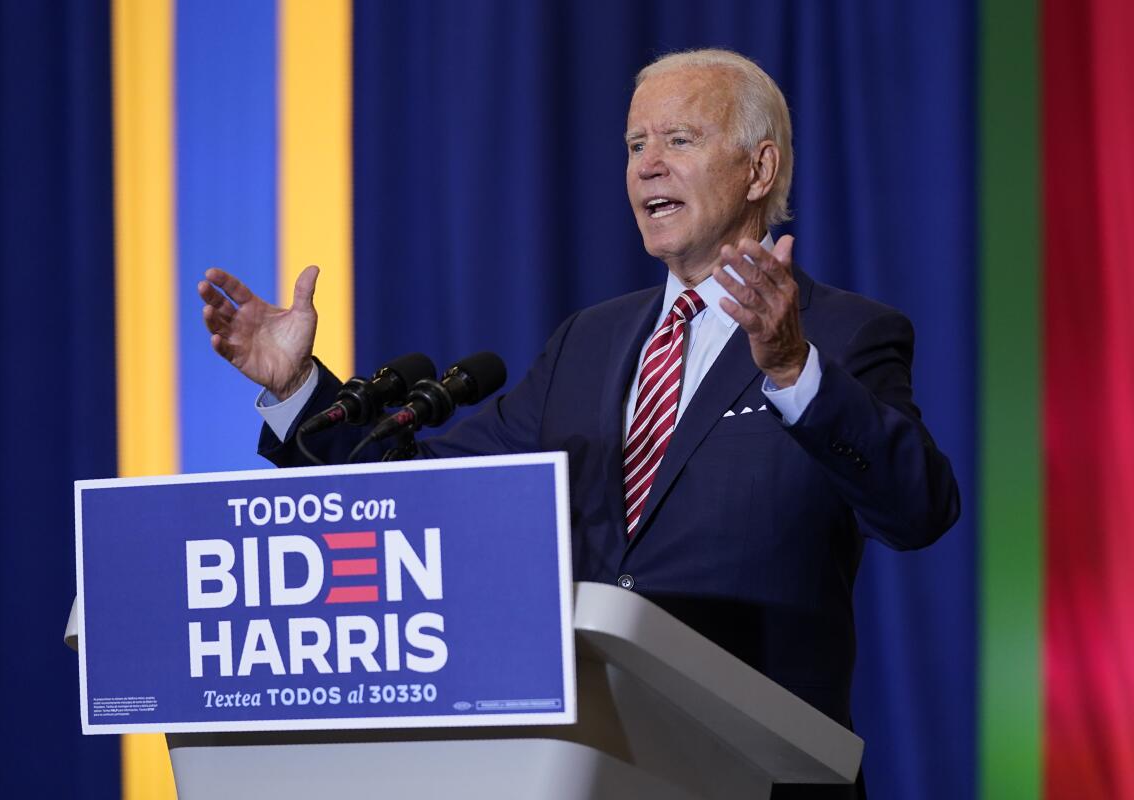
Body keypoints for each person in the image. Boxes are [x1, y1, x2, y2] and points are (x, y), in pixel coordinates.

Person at [197, 49, 959, 798]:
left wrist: (794, 369)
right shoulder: (587, 343)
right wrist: (298, 387)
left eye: (679, 140)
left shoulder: (845, 334)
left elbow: (916, 509)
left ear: (759, 171)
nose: (646, 165)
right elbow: (420, 497)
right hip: (594, 763)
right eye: (634, 145)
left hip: (759, 765)